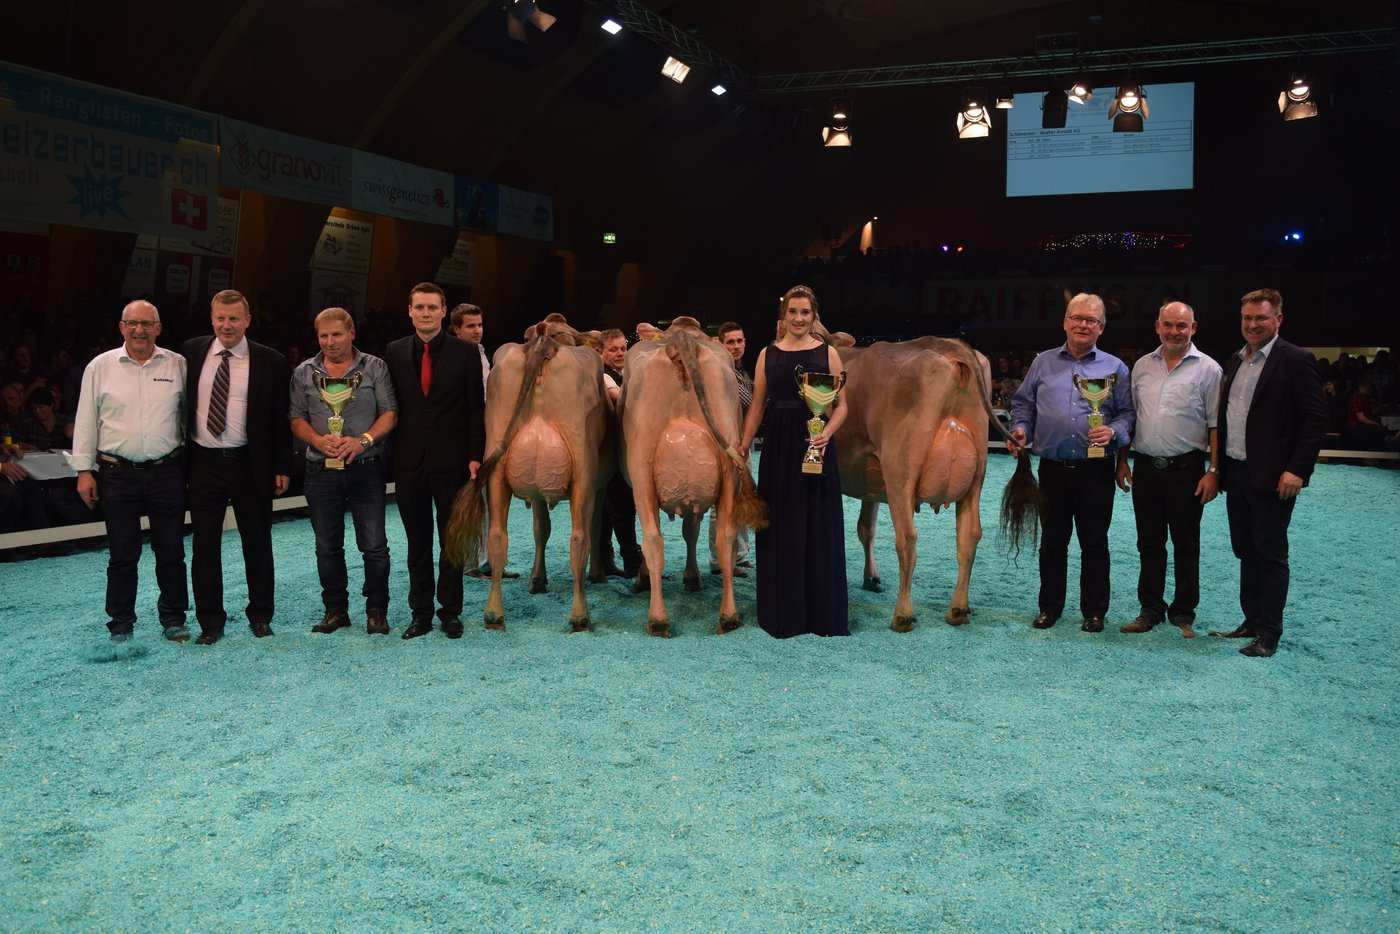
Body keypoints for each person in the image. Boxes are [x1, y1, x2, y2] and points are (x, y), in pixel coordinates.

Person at [1209, 288, 1327, 658]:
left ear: (1278, 319)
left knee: (1271, 554)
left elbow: (1315, 419)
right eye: (1247, 318)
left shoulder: (1295, 359)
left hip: (1276, 478)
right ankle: (1251, 620)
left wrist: (1297, 470)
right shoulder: (1234, 360)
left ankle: (1269, 632)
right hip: (1238, 472)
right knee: (1246, 551)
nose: (1253, 324)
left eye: (1261, 317)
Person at [1007, 293, 1134, 633]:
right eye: (1077, 318)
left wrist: (1116, 432)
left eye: (1091, 320)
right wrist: (1020, 428)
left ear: (1101, 327)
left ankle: (1094, 612)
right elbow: (1024, 406)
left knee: (1095, 543)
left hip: (1096, 471)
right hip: (1052, 470)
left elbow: (1128, 414)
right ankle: (1050, 607)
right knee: (1052, 543)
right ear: (1064, 322)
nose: (1083, 324)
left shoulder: (1116, 368)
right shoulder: (1042, 363)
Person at [70, 301, 190, 642]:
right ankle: (121, 621)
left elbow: (186, 418)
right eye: (133, 324)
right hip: (116, 474)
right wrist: (83, 470)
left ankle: (173, 618)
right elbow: (85, 419)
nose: (140, 330)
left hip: (167, 471)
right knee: (123, 554)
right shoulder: (100, 366)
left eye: (147, 324)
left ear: (159, 327)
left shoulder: (177, 364)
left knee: (171, 551)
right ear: (121, 327)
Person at [182, 289, 293, 645]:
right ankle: (210, 621)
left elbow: (280, 419)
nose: (226, 325)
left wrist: (281, 466)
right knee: (204, 545)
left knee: (257, 542)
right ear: (211, 318)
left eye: (233, 318)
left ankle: (261, 615)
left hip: (251, 463)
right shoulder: (190, 353)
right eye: (220, 318)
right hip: (203, 462)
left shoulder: (272, 361)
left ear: (247, 320)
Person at [738, 285, 849, 638]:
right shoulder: (767, 354)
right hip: (779, 449)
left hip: (815, 446)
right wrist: (742, 445)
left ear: (813, 316)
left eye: (805, 313)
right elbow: (757, 406)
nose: (799, 319)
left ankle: (820, 614)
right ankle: (783, 611)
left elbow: (842, 406)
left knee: (817, 526)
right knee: (782, 526)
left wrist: (827, 432)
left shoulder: (828, 353)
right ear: (783, 316)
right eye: (793, 312)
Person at [1114, 301, 1222, 639]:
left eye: (1182, 325)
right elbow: (1131, 418)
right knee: (1149, 543)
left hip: (1188, 469)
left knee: (1186, 544)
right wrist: (1121, 460)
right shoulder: (1142, 367)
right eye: (1168, 325)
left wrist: (1214, 470)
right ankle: (1150, 609)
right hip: (1145, 468)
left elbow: (1217, 426)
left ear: (1194, 328)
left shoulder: (1210, 370)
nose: (1175, 331)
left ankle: (1183, 612)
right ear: (1157, 327)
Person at [385, 282, 486, 639]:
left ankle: (450, 612)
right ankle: (421, 612)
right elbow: (392, 407)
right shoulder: (394, 351)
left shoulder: (465, 352)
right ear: (409, 311)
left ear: (444, 312)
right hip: (409, 461)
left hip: (454, 461)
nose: (426, 313)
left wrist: (476, 456)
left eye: (432, 308)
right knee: (417, 542)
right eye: (419, 307)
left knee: (451, 540)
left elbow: (476, 409)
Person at [289, 307, 398, 636]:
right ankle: (335, 610)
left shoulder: (375, 367)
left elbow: (390, 413)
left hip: (366, 466)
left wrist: (362, 441)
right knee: (326, 546)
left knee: (375, 545)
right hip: (320, 469)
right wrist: (318, 441)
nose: (330, 341)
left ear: (352, 333)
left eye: (337, 334)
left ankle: (376, 610)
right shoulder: (303, 372)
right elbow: (296, 419)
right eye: (323, 335)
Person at [450, 302, 517, 580]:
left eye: (479, 325)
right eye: (470, 326)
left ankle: (488, 561)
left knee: (490, 498)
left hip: (486, 431)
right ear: (456, 329)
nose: (477, 330)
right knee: (469, 497)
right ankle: (469, 561)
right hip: (465, 436)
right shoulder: (455, 356)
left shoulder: (480, 352)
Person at [708, 321, 754, 577]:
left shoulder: (741, 370)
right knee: (722, 505)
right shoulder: (719, 371)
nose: (736, 347)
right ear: (720, 344)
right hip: (724, 447)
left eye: (740, 341)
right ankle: (719, 560)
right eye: (730, 342)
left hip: (742, 444)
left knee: (742, 499)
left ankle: (739, 556)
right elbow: (749, 401)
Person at [597, 328, 640, 577]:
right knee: (622, 507)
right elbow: (619, 397)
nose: (620, 353)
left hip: (619, 449)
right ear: (600, 352)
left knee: (608, 509)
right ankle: (633, 563)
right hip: (610, 450)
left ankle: (605, 560)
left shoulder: (624, 373)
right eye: (613, 349)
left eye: (623, 348)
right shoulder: (602, 376)